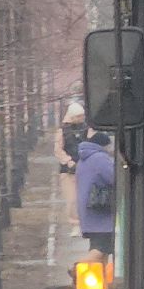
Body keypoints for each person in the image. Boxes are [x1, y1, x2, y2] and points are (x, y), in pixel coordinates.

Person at [76, 129, 116, 255]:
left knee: (98, 247)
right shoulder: (100, 158)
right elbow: (113, 177)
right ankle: (78, 268)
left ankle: (99, 274)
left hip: (89, 211)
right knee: (101, 248)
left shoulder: (84, 157)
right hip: (100, 211)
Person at [58, 101, 86, 238]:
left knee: (86, 197)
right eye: (78, 116)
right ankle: (75, 224)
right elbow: (58, 150)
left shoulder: (86, 129)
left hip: (85, 167)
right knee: (72, 199)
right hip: (68, 171)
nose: (81, 119)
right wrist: (68, 161)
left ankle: (86, 223)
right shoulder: (62, 131)